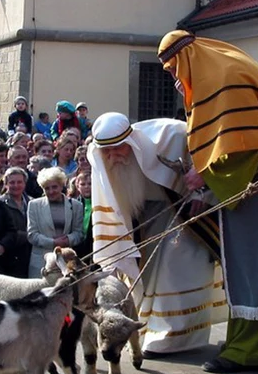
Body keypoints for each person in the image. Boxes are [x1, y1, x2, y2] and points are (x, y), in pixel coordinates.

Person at [158, 31, 258, 373]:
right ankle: (247, 340)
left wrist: (204, 178)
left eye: (174, 69)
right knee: (253, 261)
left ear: (186, 58)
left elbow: (248, 143)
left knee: (257, 262)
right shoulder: (216, 70)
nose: (175, 78)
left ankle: (251, 350)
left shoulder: (222, 78)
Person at [89, 114, 228, 354]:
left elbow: (207, 160)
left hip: (184, 216)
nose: (112, 157)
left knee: (176, 270)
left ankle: (173, 337)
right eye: (106, 152)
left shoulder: (171, 136)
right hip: (146, 220)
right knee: (149, 276)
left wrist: (202, 192)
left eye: (117, 149)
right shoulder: (104, 161)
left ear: (131, 142)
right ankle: (153, 331)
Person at [26, 168, 83, 277]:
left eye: (54, 187)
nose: (51, 191)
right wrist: (53, 242)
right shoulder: (33, 205)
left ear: (62, 186)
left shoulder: (76, 206)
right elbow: (31, 235)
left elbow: (79, 233)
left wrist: (68, 240)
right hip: (41, 263)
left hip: (67, 263)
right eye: (47, 188)